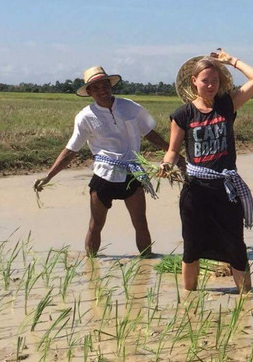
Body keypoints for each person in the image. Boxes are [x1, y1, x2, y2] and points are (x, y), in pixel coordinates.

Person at [34, 66, 168, 256]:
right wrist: (48, 176)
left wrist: (173, 154)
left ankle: (147, 260)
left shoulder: (130, 107)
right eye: (95, 88)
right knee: (95, 225)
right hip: (104, 175)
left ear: (110, 86)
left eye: (105, 85)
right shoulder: (85, 117)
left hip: (132, 174)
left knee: (140, 222)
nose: (102, 91)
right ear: (89, 92)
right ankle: (91, 263)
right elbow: (71, 150)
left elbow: (150, 134)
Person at [162, 48, 253, 295]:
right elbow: (173, 150)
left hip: (226, 190)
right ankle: (190, 300)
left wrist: (231, 61)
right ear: (193, 82)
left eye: (215, 80)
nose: (210, 85)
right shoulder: (182, 114)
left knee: (236, 247)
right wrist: (166, 164)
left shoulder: (226, 105)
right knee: (192, 248)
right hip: (196, 191)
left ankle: (246, 299)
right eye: (205, 80)